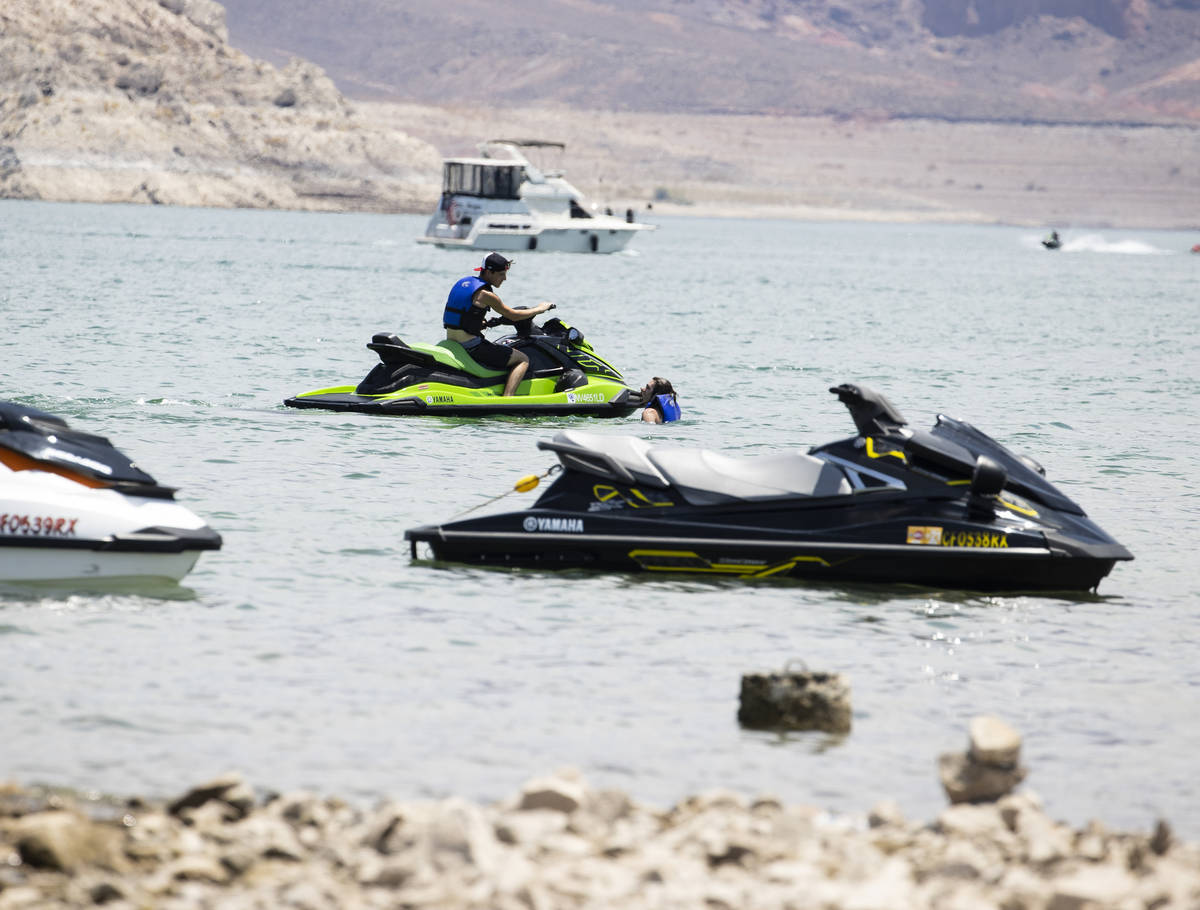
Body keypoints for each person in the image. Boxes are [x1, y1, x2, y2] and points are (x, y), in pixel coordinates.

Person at [443, 253, 553, 396]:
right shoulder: (486, 294)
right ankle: (507, 399)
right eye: (501, 274)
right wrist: (540, 309)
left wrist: (479, 323)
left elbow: (462, 313)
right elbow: (513, 315)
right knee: (523, 359)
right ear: (489, 272)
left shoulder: (464, 283)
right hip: (471, 346)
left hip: (452, 341)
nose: (505, 278)